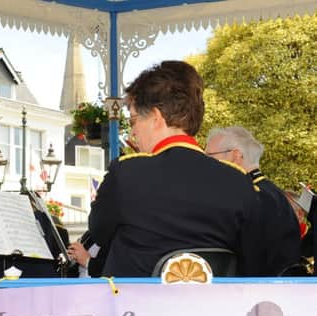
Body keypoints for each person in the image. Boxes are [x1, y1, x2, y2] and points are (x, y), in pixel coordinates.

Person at [88, 60, 261, 277]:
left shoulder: (126, 174)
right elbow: (251, 254)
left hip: (136, 308)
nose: (133, 134)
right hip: (213, 308)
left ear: (156, 118)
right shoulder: (238, 182)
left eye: (133, 122)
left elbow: (100, 232)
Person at [205, 126, 300, 276]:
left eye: (209, 155)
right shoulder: (271, 193)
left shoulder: (253, 197)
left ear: (235, 156)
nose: (205, 163)